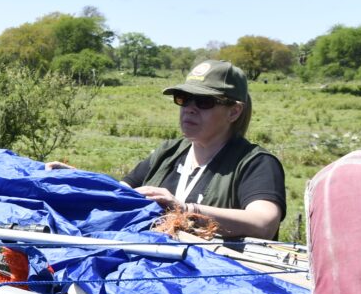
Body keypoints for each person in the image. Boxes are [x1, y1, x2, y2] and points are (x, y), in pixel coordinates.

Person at [121, 59, 285, 239]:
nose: (189, 109)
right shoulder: (168, 152)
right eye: (183, 99)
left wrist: (186, 210)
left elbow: (264, 223)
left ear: (234, 112)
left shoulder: (255, 163)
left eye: (204, 101)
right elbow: (118, 192)